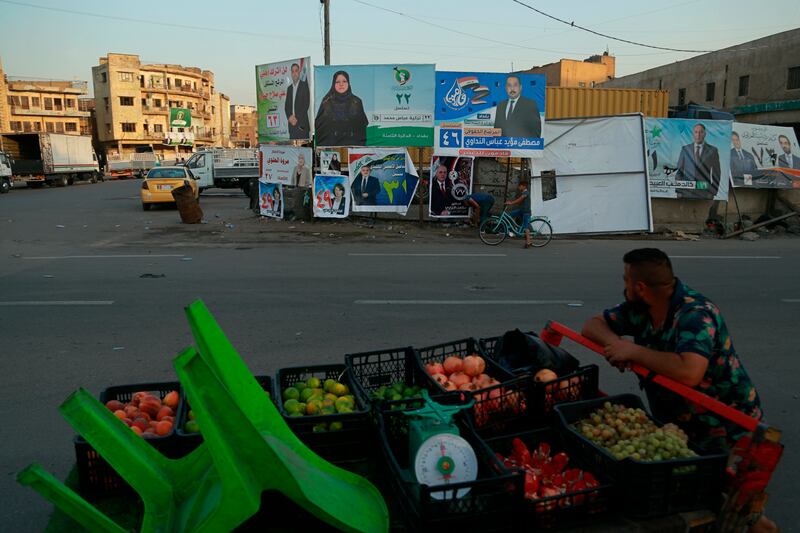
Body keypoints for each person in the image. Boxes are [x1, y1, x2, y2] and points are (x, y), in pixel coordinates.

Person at [581, 248, 763, 453]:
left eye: (626, 280)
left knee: (720, 483)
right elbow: (592, 325)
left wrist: (633, 351)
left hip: (728, 426)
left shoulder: (695, 314)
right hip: (679, 423)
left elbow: (690, 372)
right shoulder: (640, 307)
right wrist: (616, 344)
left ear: (640, 287)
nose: (624, 286)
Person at [314, 71, 368, 146]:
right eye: (337, 82)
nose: (341, 84)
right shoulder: (326, 102)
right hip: (331, 146)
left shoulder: (356, 102)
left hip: (353, 146)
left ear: (348, 83)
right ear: (333, 84)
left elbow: (362, 125)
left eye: (344, 81)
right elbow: (319, 125)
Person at [675, 123, 721, 200]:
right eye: (696, 132)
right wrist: (679, 190)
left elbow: (716, 173)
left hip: (704, 192)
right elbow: (679, 171)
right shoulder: (685, 149)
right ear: (693, 134)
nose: (698, 135)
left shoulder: (713, 150)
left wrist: (713, 192)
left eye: (701, 132)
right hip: (686, 191)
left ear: (705, 134)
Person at [284, 63, 311, 140]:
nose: (294, 73)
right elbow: (286, 106)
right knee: (292, 151)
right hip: (292, 126)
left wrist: (296, 118)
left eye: (296, 71)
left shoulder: (304, 85)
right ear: (291, 73)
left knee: (303, 151)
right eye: (292, 71)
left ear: (299, 72)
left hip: (302, 126)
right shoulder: (289, 89)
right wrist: (290, 117)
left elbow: (306, 104)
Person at [504, 179, 533, 248]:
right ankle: (514, 229)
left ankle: (528, 242)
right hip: (521, 210)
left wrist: (511, 203)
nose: (518, 187)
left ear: (524, 186)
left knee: (526, 227)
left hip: (526, 212)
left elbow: (520, 199)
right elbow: (520, 202)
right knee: (509, 215)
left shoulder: (526, 193)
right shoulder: (523, 192)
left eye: (520, 186)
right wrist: (512, 203)